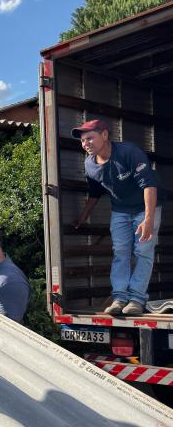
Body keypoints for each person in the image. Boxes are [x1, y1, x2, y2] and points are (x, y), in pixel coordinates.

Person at [72, 119, 163, 316]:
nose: (85, 143)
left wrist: (148, 219)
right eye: (82, 140)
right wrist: (82, 217)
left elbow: (149, 185)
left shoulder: (129, 152)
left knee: (143, 250)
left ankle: (137, 299)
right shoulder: (89, 164)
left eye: (90, 138)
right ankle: (120, 298)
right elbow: (95, 192)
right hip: (120, 211)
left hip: (145, 208)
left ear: (104, 135)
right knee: (121, 251)